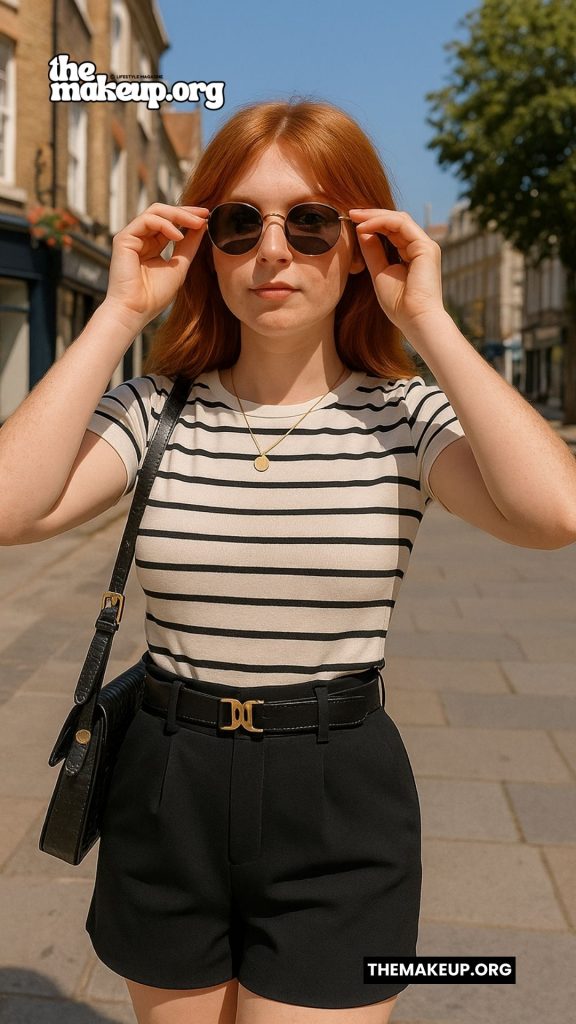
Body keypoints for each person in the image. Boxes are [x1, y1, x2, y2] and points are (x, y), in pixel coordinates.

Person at [0, 97, 469, 1024]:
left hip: (339, 791)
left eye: (311, 222)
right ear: (203, 242)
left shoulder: (406, 417)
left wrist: (429, 317)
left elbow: (557, 514)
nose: (273, 250)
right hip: (166, 782)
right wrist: (119, 310)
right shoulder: (152, 408)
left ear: (364, 239)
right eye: (239, 221)